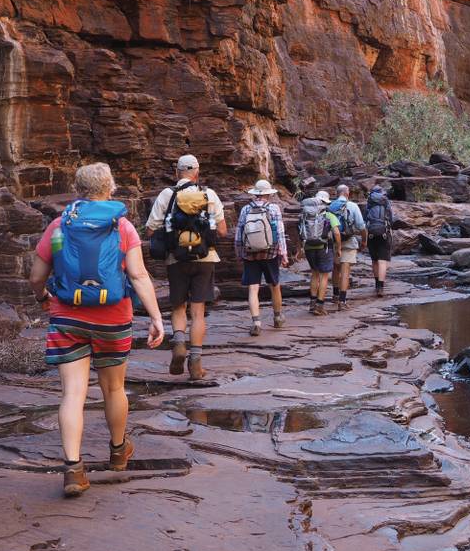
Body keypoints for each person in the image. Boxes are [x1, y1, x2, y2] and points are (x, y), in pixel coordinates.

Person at [29, 162, 165, 498]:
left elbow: (36, 276)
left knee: (72, 394)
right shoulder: (122, 227)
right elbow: (138, 275)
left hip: (68, 318)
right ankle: (118, 452)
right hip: (113, 319)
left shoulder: (59, 225)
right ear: (110, 188)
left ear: (78, 189)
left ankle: (73, 470)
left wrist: (43, 297)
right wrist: (156, 317)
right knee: (114, 388)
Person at [145, 154, 227, 381]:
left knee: (179, 307)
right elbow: (222, 231)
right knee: (198, 311)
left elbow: (150, 230)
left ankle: (179, 344)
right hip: (205, 259)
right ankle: (196, 363)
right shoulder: (209, 194)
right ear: (197, 172)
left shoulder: (167, 194)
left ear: (177, 172)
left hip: (176, 259)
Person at [235, 179, 288, 335]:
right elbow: (280, 233)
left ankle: (256, 323)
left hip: (250, 254)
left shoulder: (246, 209)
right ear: (268, 194)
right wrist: (283, 254)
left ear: (255, 194)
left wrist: (239, 253)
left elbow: (239, 233)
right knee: (274, 285)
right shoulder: (274, 208)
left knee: (253, 288)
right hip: (271, 253)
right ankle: (277, 317)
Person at [299, 190, 341, 315]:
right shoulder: (328, 215)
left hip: (308, 247)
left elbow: (300, 230)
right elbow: (336, 232)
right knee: (324, 276)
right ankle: (320, 305)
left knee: (314, 274)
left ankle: (312, 303)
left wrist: (299, 248)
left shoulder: (305, 214)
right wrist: (338, 248)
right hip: (324, 247)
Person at [328, 184, 366, 309]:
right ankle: (342, 301)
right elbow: (361, 226)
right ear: (347, 193)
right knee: (345, 270)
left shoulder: (330, 206)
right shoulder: (353, 206)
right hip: (348, 241)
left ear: (337, 193)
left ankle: (335, 295)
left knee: (335, 268)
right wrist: (364, 241)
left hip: (333, 241)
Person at [364, 185, 394, 297]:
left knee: (374, 260)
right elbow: (391, 217)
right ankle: (381, 287)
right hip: (384, 232)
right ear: (381, 192)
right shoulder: (385, 201)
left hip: (371, 233)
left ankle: (376, 284)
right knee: (382, 261)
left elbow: (365, 218)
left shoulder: (369, 201)